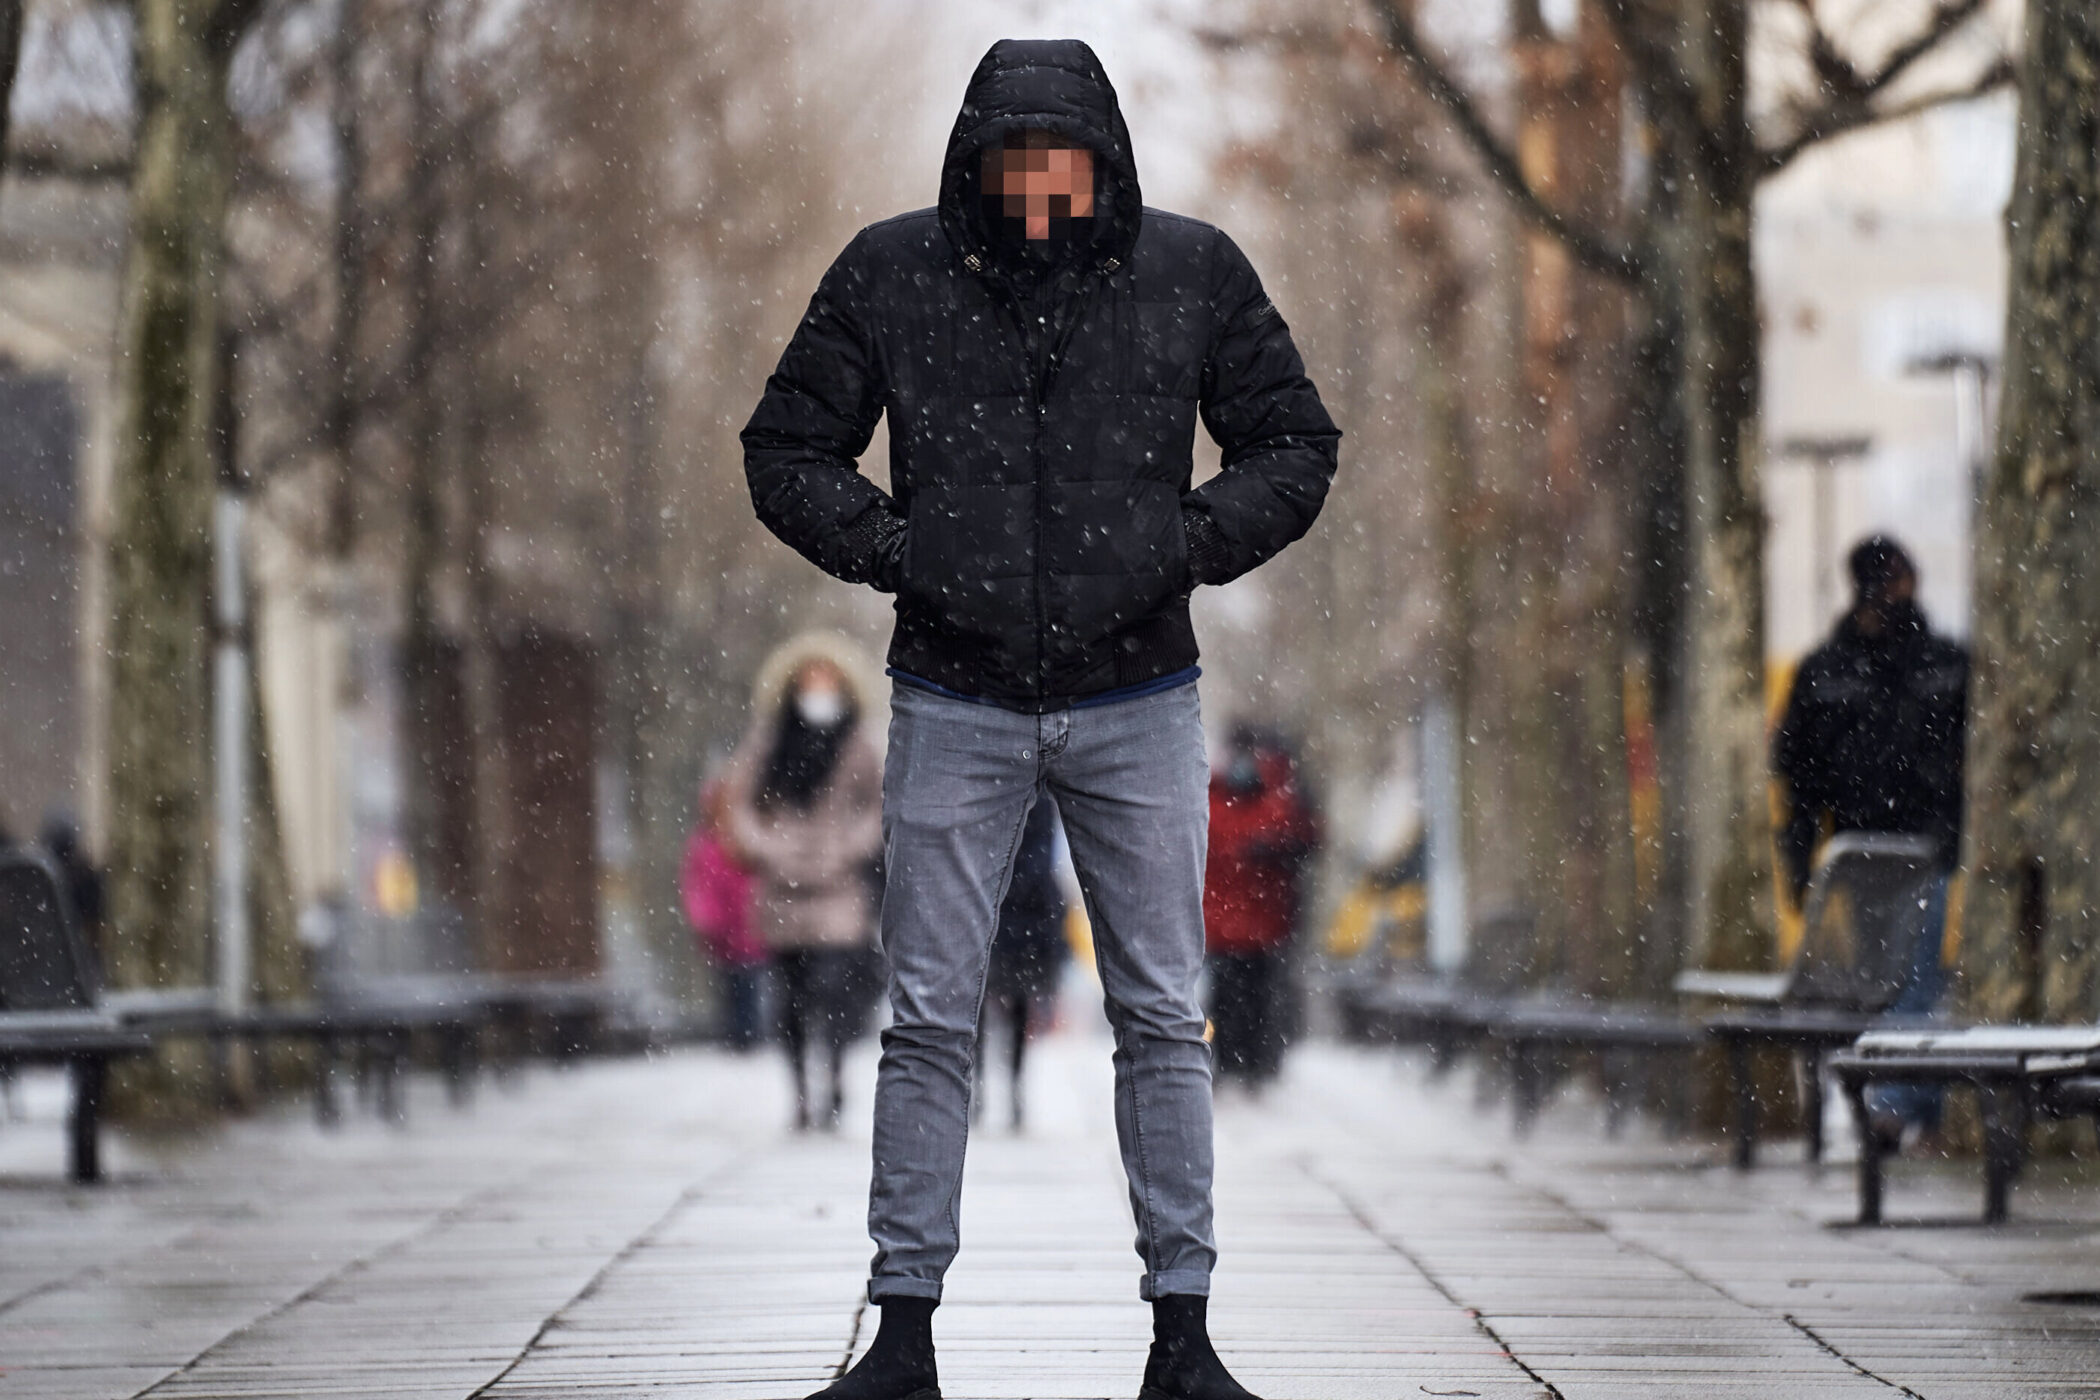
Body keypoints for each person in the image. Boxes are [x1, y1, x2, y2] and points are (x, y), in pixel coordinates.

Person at [743, 38, 1339, 1400]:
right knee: (930, 1021)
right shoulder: (894, 272)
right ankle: (901, 1335)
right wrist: (900, 553)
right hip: (953, 693)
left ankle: (1183, 1335)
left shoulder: (1191, 272)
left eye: (1061, 159)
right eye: (1014, 162)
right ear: (977, 161)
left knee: (1160, 1016)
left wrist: (1180, 545)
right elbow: (783, 450)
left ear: (1103, 158)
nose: (1038, 186)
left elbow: (1297, 444)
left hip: (1140, 693)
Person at [1773, 536, 1968, 1147]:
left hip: (1919, 847)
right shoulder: (1838, 672)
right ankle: (1914, 1108)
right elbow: (1800, 778)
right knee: (1893, 983)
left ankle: (1892, 1107)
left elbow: (1801, 778)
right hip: (1864, 856)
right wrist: (1799, 862)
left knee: (1909, 982)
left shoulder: (1935, 664)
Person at [722, 634, 884, 1132]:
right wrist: (770, 848)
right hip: (782, 891)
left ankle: (832, 1079)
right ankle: (799, 1091)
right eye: (809, 678)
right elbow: (738, 807)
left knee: (834, 989)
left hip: (839, 891)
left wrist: (846, 848)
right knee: (788, 996)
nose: (818, 687)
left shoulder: (860, 743)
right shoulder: (767, 743)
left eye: (826, 677)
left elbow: (879, 806)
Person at [1203, 729, 1320, 1093]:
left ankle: (1251, 1063)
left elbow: (1304, 842)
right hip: (1236, 922)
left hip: (1255, 922)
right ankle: (1238, 1062)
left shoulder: (1270, 799)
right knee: (1232, 996)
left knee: (1252, 995)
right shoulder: (1228, 798)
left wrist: (1275, 851)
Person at [976, 798, 1069, 1131]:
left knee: (996, 1004)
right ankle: (997, 1090)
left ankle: (995, 1090)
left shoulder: (1029, 798)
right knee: (999, 1005)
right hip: (1018, 912)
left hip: (1013, 911)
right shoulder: (1039, 797)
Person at [682, 776, 767, 1052]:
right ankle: (737, 1033)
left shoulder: (744, 841)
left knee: (748, 983)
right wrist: (707, 918)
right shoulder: (704, 846)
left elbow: (754, 882)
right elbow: (697, 886)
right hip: (722, 930)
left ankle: (748, 1034)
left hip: (748, 927)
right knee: (731, 983)